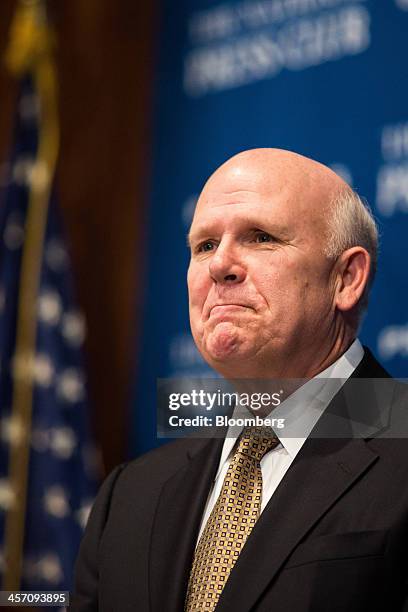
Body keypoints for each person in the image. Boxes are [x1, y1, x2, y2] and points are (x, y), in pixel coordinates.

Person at [70, 149, 408, 612]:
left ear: (346, 278)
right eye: (204, 245)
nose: (219, 265)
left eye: (260, 237)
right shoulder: (128, 496)